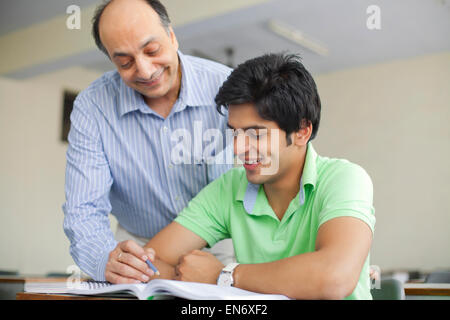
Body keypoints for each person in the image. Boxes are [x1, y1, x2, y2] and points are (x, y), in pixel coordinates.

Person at [143, 53, 376, 299]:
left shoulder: (345, 179)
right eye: (235, 133)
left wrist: (223, 276)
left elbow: (334, 278)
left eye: (255, 134)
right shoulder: (230, 187)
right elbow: (151, 260)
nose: (237, 148)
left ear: (301, 132)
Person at [62, 0, 234, 284]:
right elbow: (84, 209)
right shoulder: (92, 108)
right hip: (139, 250)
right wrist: (103, 259)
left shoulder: (226, 87)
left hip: (221, 248)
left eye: (152, 51)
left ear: (171, 36)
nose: (144, 70)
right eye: (125, 62)